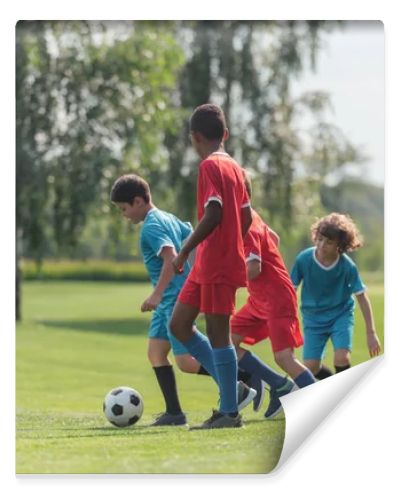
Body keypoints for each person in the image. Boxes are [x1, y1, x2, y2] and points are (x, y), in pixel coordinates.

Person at [110, 173, 256, 426]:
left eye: (124, 209)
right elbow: (194, 239)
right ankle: (174, 413)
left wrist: (157, 294)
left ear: (137, 201)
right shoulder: (166, 217)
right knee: (156, 353)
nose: (124, 214)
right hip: (170, 297)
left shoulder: (152, 226)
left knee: (186, 362)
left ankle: (236, 385)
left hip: (171, 298)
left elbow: (170, 256)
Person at [169, 103, 253, 429]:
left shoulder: (209, 167)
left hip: (215, 263)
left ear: (194, 138)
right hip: (209, 262)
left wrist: (183, 251)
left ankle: (230, 412)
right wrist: (232, 242)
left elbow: (214, 212)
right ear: (225, 134)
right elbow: (244, 216)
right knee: (179, 324)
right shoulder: (237, 168)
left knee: (219, 336)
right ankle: (234, 390)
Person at [230, 170, 316, 420]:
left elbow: (254, 269)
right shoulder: (251, 217)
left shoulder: (246, 225)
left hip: (277, 296)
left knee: (284, 357)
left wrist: (229, 280)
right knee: (226, 341)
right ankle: (278, 385)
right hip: (259, 299)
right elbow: (274, 238)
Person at [290, 212, 381, 378]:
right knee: (311, 367)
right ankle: (334, 383)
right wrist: (286, 318)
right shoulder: (304, 259)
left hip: (340, 315)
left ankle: (343, 395)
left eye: (329, 242)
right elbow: (290, 290)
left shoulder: (347, 266)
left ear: (341, 245)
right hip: (313, 318)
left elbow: (361, 296)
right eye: (320, 238)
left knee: (341, 356)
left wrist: (371, 332)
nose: (322, 244)